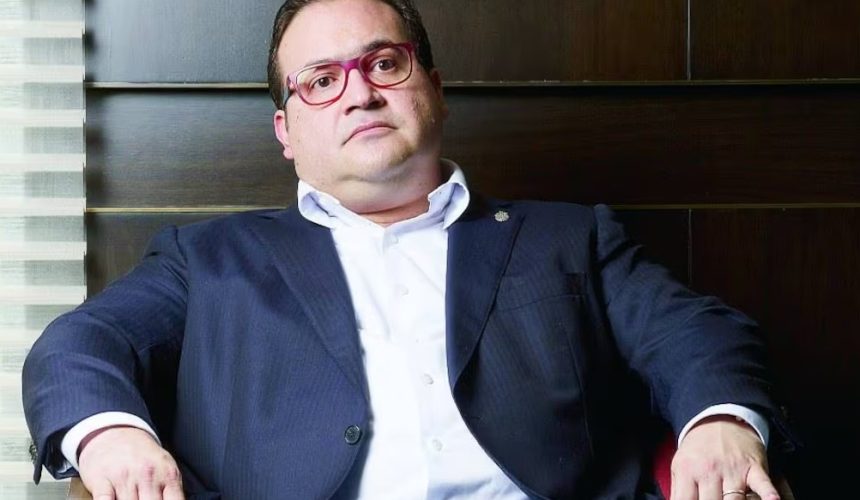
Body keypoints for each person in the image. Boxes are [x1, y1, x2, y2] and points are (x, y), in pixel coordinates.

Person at [23, 0, 791, 498]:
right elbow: (78, 345)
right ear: (287, 130)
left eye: (384, 64)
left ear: (435, 88)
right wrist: (112, 435)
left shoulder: (570, 237)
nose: (360, 93)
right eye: (320, 81)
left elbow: (695, 333)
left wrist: (719, 421)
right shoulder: (208, 259)